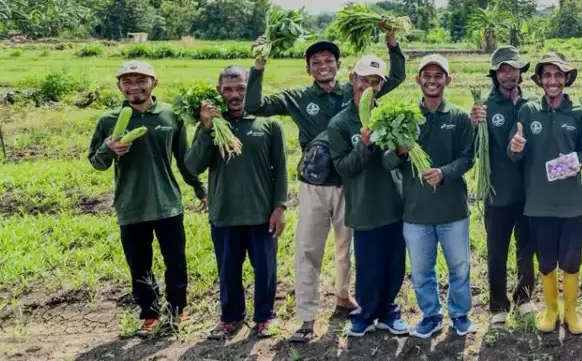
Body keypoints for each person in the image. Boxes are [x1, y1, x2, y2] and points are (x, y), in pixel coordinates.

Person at [245, 34, 406, 342]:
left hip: (351, 184)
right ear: (308, 68)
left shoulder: (355, 88)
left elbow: (396, 76)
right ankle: (306, 318)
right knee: (308, 249)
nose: (322, 66)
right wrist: (259, 64)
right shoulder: (298, 98)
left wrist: (392, 43)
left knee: (347, 250)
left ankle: (344, 298)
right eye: (316, 62)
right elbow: (254, 104)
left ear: (339, 66)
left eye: (328, 61)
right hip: (315, 185)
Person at [88, 60, 206, 336]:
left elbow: (184, 159)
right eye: (126, 82)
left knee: (175, 261)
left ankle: (178, 309)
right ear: (119, 86)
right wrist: (109, 151)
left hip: (168, 204)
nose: (134, 87)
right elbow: (96, 162)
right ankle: (149, 313)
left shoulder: (170, 115)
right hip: (131, 206)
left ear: (155, 82)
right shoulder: (109, 121)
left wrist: (200, 190)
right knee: (139, 263)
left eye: (140, 80)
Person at [186, 65, 288, 340]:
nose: (234, 94)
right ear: (219, 91)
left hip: (261, 213)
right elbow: (193, 166)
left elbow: (280, 168)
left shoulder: (268, 124)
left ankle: (265, 317)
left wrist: (280, 207)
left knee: (265, 269)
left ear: (250, 89)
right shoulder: (209, 125)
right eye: (228, 89)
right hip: (225, 212)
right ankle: (230, 318)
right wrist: (207, 129)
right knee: (228, 268)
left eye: (240, 88)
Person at [326, 56, 409, 339]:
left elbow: (390, 163)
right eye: (364, 80)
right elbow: (343, 168)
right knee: (368, 264)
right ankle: (364, 314)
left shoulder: (388, 117)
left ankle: (389, 312)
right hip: (363, 206)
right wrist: (363, 146)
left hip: (393, 203)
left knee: (394, 263)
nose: (369, 87)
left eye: (375, 82)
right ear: (352, 79)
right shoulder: (339, 124)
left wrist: (400, 152)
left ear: (381, 85)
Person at [507, 52, 582, 334]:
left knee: (571, 259)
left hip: (571, 204)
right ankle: (551, 309)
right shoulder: (528, 111)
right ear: (540, 80)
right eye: (547, 76)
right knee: (545, 260)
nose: (553, 81)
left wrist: (571, 161)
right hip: (539, 203)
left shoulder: (579, 113)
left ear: (566, 79)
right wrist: (515, 147)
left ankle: (571, 311)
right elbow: (515, 151)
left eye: (558, 75)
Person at [395, 54, 476, 339]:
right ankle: (431, 315)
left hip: (452, 210)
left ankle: (460, 314)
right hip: (416, 211)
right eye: (426, 75)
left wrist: (444, 173)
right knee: (420, 271)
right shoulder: (405, 120)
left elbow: (468, 157)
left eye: (438, 75)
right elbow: (387, 163)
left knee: (459, 266)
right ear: (418, 80)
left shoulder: (459, 117)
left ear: (447, 80)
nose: (432, 80)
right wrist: (399, 152)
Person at [469, 46, 537, 325]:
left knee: (527, 247)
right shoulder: (485, 107)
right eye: (503, 69)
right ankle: (498, 304)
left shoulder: (531, 103)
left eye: (514, 68)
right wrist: (474, 127)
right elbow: (474, 151)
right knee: (497, 249)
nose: (509, 74)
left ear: (521, 71)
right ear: (495, 73)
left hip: (530, 191)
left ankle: (524, 296)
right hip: (498, 192)